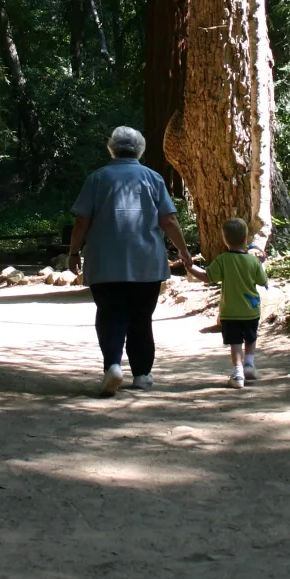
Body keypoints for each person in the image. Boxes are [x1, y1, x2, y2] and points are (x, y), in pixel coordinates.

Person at [69, 126, 194, 396]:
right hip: (145, 262)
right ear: (140, 148)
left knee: (110, 314)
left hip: (104, 262)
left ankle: (113, 366)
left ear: (111, 148)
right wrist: (183, 252)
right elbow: (169, 220)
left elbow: (81, 220)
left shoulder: (97, 178)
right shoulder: (153, 178)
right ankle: (142, 374)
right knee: (141, 317)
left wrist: (73, 252)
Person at [190, 218, 269, 388]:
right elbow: (263, 281)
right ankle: (249, 364)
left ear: (225, 239)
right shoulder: (253, 261)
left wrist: (190, 268)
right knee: (250, 337)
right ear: (245, 238)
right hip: (251, 310)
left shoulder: (222, 260)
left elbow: (207, 277)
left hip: (230, 311)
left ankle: (238, 373)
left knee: (235, 342)